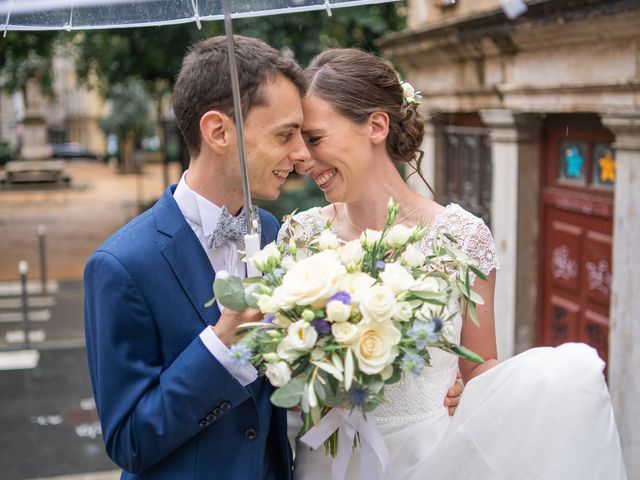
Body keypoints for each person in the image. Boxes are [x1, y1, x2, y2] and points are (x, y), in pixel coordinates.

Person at [285, 48, 627, 479]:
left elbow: (481, 366)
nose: (302, 159)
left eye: (314, 139)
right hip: (322, 460)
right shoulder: (298, 237)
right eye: (298, 142)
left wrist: (470, 388)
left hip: (426, 462)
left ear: (375, 125)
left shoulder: (460, 239)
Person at [83, 35, 310, 479]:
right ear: (219, 131)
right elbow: (129, 441)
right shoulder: (121, 265)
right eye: (286, 134)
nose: (302, 154)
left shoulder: (273, 231)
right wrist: (220, 346)